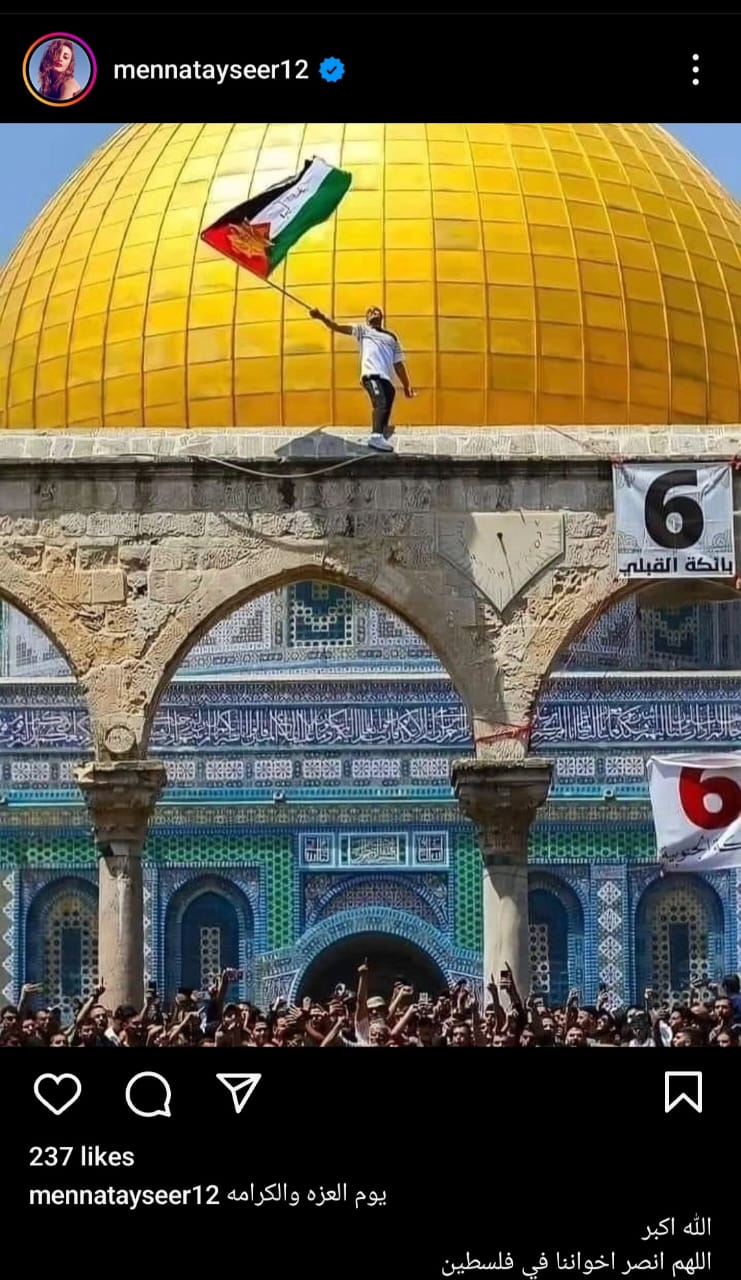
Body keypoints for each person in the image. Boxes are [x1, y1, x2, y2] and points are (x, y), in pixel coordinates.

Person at [309, 306, 414, 451]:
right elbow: (337, 327)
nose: (373, 313)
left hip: (387, 381)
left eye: (376, 311)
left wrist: (407, 385)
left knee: (386, 406)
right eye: (370, 312)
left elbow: (398, 364)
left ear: (382, 316)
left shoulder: (391, 337)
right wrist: (320, 316)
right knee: (381, 403)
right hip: (371, 375)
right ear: (367, 319)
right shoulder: (363, 330)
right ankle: (375, 437)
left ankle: (381, 435)